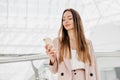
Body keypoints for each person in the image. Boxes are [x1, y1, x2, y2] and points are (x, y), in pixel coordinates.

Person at [45, 8, 99, 80]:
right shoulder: (57, 42)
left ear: (76, 21)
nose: (66, 21)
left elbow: (94, 67)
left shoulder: (87, 43)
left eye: (69, 18)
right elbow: (54, 70)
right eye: (63, 19)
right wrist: (52, 58)